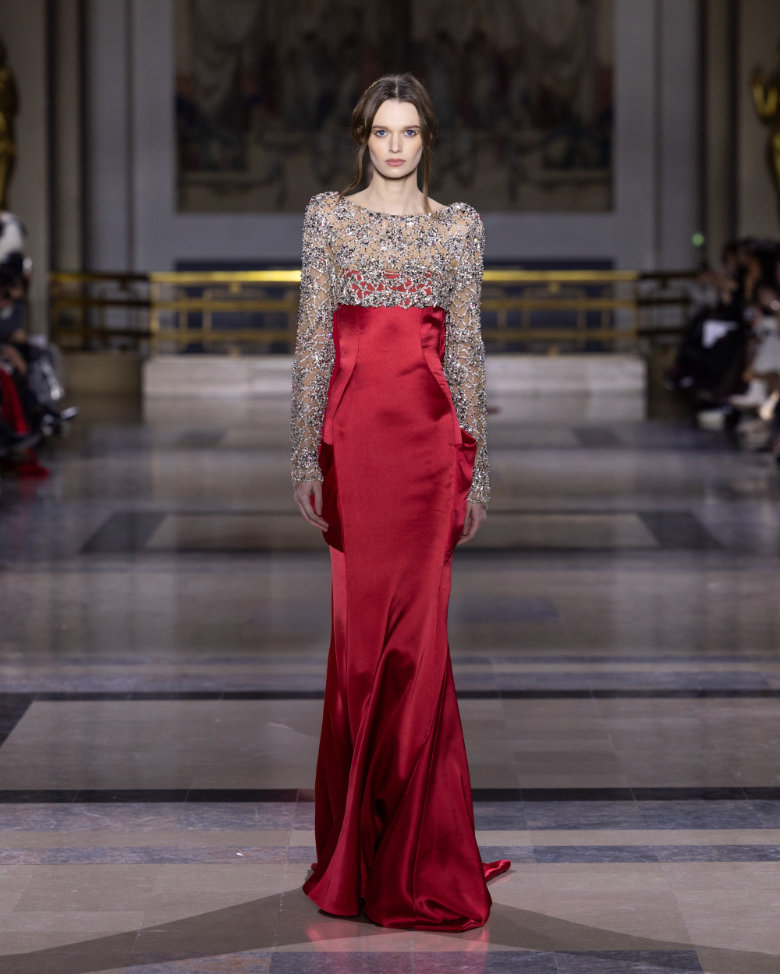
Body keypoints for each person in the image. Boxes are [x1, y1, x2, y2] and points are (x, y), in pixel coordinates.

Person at [290, 73, 509, 931]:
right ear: (362, 138)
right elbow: (314, 339)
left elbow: (467, 350)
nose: (394, 146)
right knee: (358, 651)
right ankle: (361, 846)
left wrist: (474, 468)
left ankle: (418, 851)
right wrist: (304, 453)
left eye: (408, 131)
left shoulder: (459, 227)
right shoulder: (328, 219)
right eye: (382, 131)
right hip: (354, 449)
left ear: (427, 139)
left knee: (419, 649)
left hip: (427, 451)